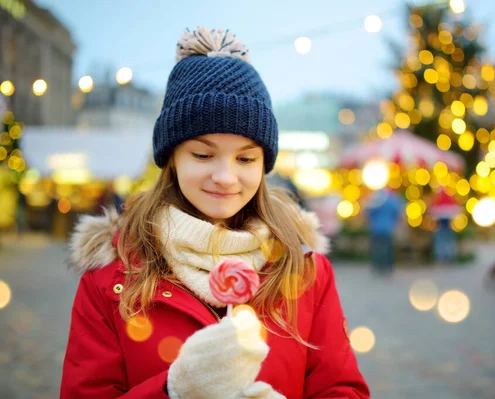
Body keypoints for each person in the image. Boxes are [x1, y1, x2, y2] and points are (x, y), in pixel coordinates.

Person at [61, 27, 369, 399]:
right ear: (171, 158)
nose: (225, 177)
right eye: (203, 155)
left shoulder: (305, 271)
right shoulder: (111, 278)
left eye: (245, 158)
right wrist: (175, 390)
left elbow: (340, 388)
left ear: (264, 163)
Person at [365, 188, 404, 275]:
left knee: (376, 248)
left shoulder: (376, 201)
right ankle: (388, 267)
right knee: (388, 249)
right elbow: (398, 214)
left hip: (376, 228)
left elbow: (369, 214)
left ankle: (376, 266)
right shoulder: (393, 201)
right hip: (388, 229)